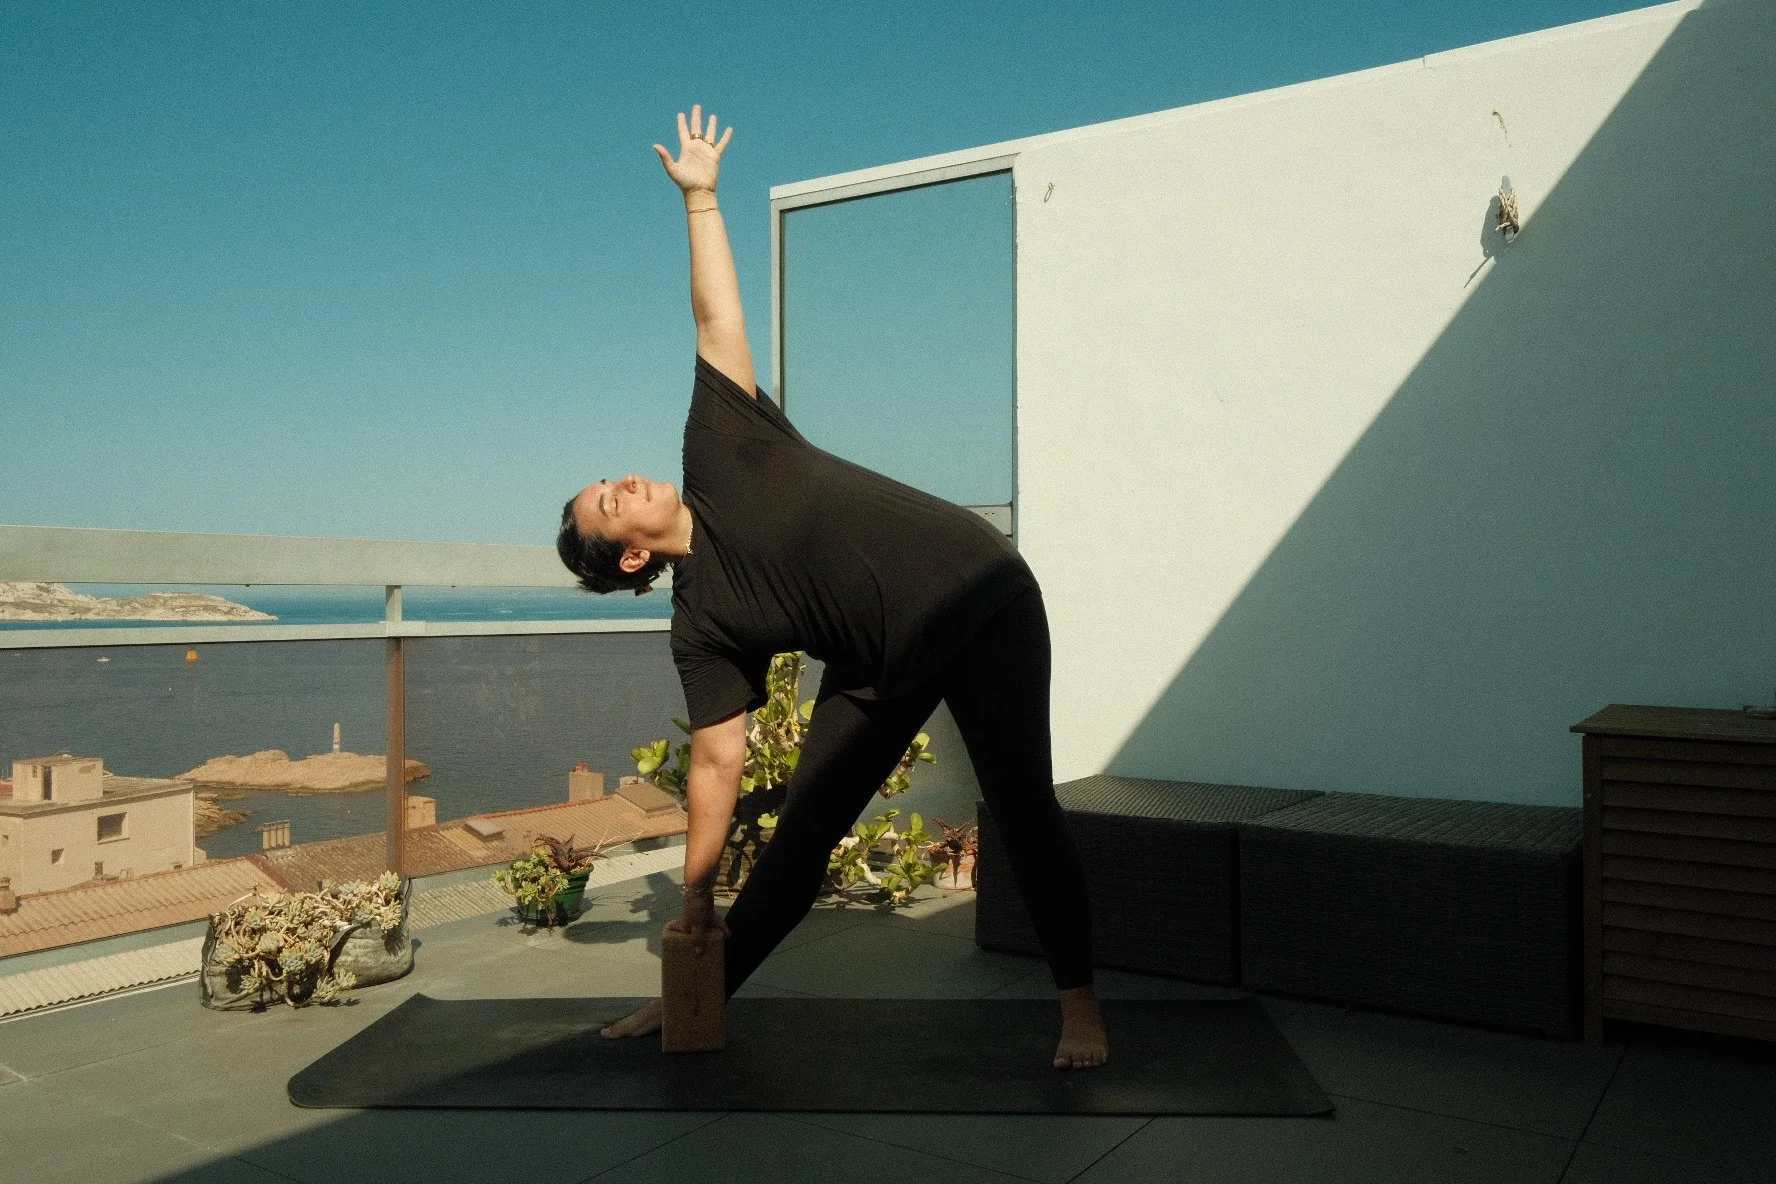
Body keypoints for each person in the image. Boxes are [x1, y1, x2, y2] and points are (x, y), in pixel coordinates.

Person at [557, 106, 1108, 1070]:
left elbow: (715, 318)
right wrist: (695, 896)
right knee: (802, 835)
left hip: (980, 598)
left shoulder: (720, 446)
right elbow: (716, 763)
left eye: (613, 479)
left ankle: (1081, 1009)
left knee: (1021, 805)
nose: (626, 482)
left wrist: (700, 199)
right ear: (630, 558)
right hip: (880, 664)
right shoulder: (702, 626)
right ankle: (697, 998)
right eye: (611, 502)